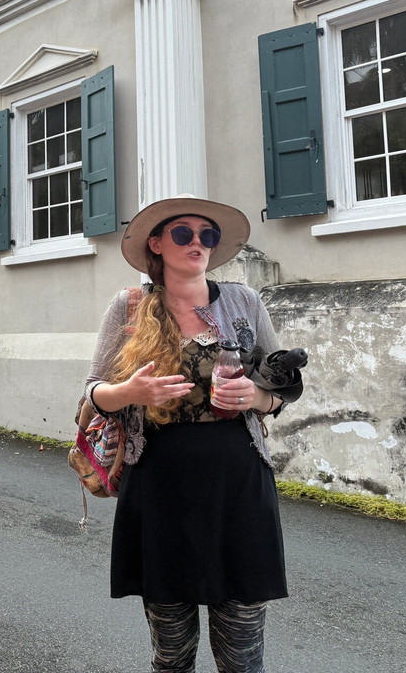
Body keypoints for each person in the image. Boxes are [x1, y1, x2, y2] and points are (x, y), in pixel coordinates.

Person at [84, 193, 295, 673]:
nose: (197, 242)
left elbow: (281, 387)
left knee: (243, 656)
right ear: (156, 244)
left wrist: (257, 398)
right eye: (183, 233)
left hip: (238, 487)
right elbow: (92, 392)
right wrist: (130, 392)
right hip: (159, 490)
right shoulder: (130, 307)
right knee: (172, 654)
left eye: (207, 235)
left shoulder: (244, 301)